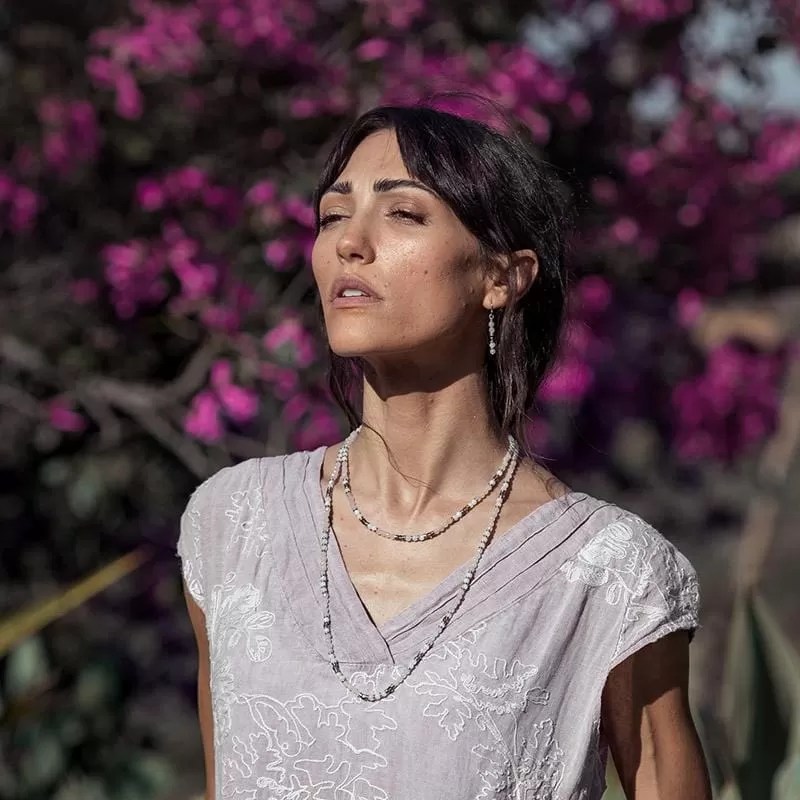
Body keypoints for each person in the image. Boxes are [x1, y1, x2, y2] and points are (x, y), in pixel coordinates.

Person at [178, 102, 712, 800]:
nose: (350, 243)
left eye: (404, 214)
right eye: (333, 216)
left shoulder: (609, 576)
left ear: (501, 278)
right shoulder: (232, 523)